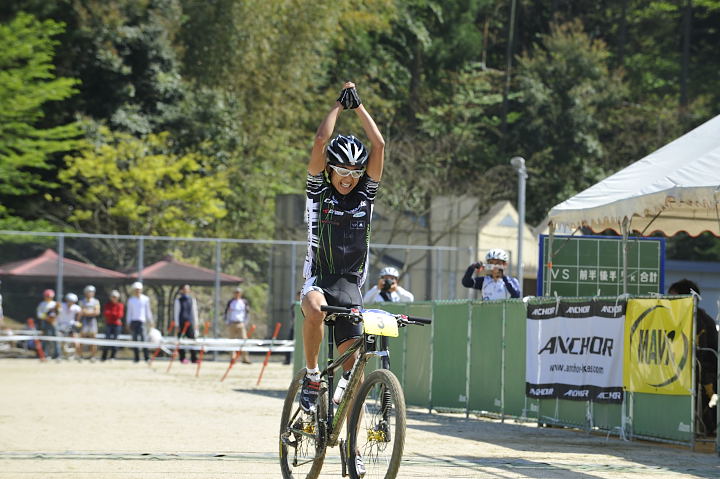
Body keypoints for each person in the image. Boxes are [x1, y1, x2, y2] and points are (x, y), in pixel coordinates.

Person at [299, 80, 384, 435]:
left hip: (350, 287)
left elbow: (379, 145)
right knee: (315, 309)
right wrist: (338, 105)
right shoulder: (318, 192)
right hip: (319, 278)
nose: (348, 179)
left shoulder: (366, 194)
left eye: (354, 172)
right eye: (341, 171)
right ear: (330, 170)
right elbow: (320, 142)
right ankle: (312, 375)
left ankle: (356, 451)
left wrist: (359, 106)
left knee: (355, 376)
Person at [668, 279, 718, 435]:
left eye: (674, 297)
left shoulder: (701, 320)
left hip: (703, 373)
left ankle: (707, 429)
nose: (669, 301)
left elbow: (702, 354)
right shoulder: (671, 318)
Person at [126, 281, 153, 362]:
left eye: (139, 289)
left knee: (144, 340)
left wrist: (150, 320)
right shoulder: (131, 300)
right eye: (136, 289)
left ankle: (146, 357)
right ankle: (136, 358)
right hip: (134, 322)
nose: (138, 291)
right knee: (135, 340)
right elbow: (129, 312)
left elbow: (148, 311)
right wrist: (128, 322)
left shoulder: (145, 299)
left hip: (142, 322)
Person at [225, 287, 251, 364]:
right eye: (235, 293)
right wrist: (227, 322)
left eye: (238, 293)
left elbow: (247, 313)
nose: (237, 294)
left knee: (244, 341)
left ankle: (245, 358)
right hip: (232, 323)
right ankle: (233, 358)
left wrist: (245, 322)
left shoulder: (244, 302)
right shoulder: (230, 302)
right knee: (232, 342)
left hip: (241, 323)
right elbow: (226, 313)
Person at [173, 284, 199, 364]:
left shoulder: (192, 300)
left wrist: (196, 323)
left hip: (190, 322)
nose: (186, 290)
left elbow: (195, 312)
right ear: (181, 290)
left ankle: (194, 358)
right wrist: (177, 324)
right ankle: (182, 358)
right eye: (184, 289)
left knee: (192, 341)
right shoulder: (178, 300)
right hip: (181, 323)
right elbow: (176, 313)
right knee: (180, 341)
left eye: (187, 289)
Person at [78, 285, 100, 361]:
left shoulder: (96, 301)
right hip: (84, 321)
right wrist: (91, 312)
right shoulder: (82, 301)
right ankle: (80, 356)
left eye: (92, 292)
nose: (90, 293)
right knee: (82, 338)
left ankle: (93, 356)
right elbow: (81, 312)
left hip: (92, 321)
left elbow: (97, 312)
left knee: (93, 339)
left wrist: (86, 312)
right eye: (89, 292)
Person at [56, 292, 82, 360]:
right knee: (61, 342)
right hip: (61, 326)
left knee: (76, 341)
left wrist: (77, 321)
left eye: (73, 301)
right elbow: (56, 311)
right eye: (70, 301)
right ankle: (59, 355)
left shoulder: (76, 307)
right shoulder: (61, 306)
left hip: (71, 326)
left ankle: (78, 356)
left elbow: (80, 312)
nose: (71, 303)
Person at [36, 289, 60, 359]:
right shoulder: (42, 304)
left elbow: (58, 313)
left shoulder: (55, 304)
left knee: (56, 339)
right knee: (46, 339)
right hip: (45, 323)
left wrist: (54, 317)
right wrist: (46, 318)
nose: (49, 297)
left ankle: (57, 354)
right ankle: (46, 354)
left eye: (50, 296)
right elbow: (39, 314)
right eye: (47, 296)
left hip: (54, 323)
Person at [101, 290, 124, 362]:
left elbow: (120, 315)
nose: (114, 298)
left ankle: (112, 357)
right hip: (109, 324)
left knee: (115, 340)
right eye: (113, 297)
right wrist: (114, 314)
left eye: (115, 297)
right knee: (106, 340)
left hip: (117, 325)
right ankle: (104, 357)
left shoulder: (120, 305)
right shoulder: (107, 305)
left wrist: (112, 314)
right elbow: (106, 313)